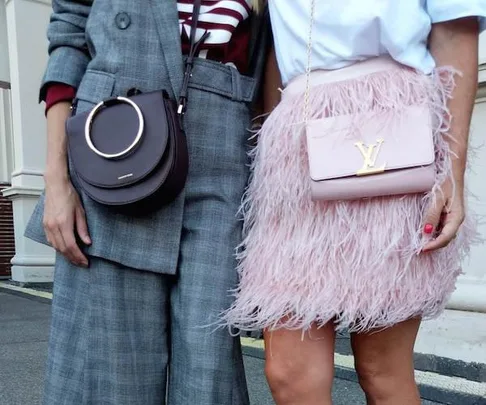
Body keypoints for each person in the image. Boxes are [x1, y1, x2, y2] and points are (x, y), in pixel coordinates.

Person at [223, 1, 485, 404]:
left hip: (394, 128)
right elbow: (276, 41)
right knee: (290, 375)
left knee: (382, 370)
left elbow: (455, 30)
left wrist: (452, 170)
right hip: (297, 141)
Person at [24, 1, 269, 404]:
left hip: (224, 150)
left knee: (208, 377)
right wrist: (56, 178)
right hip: (117, 144)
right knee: (114, 376)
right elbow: (68, 32)